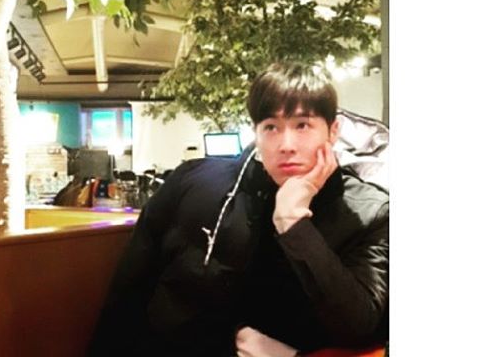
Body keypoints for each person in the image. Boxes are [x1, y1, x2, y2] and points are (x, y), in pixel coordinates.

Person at [88, 62, 388, 357]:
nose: (286, 144)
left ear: (332, 131)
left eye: (302, 125)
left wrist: (294, 224)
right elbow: (128, 294)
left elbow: (358, 325)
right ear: (256, 132)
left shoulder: (372, 213)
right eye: (271, 127)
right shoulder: (196, 183)